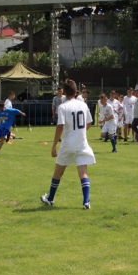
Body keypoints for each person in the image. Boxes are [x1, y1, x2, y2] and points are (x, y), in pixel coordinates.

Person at [40, 79, 95, 209]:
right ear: (76, 92)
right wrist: (79, 132)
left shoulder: (63, 107)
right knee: (83, 173)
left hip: (68, 144)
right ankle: (86, 202)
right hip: (82, 144)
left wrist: (54, 146)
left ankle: (50, 198)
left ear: (64, 92)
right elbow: (88, 124)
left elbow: (60, 126)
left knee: (58, 173)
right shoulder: (83, 105)